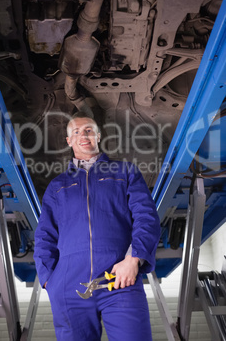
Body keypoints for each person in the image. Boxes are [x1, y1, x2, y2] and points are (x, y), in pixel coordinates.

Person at [34, 112, 161, 341]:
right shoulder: (57, 186)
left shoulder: (124, 172)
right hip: (68, 286)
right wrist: (49, 280)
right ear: (68, 141)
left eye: (88, 130)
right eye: (76, 132)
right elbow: (44, 235)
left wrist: (134, 259)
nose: (83, 135)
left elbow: (146, 217)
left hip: (119, 280)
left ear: (98, 136)